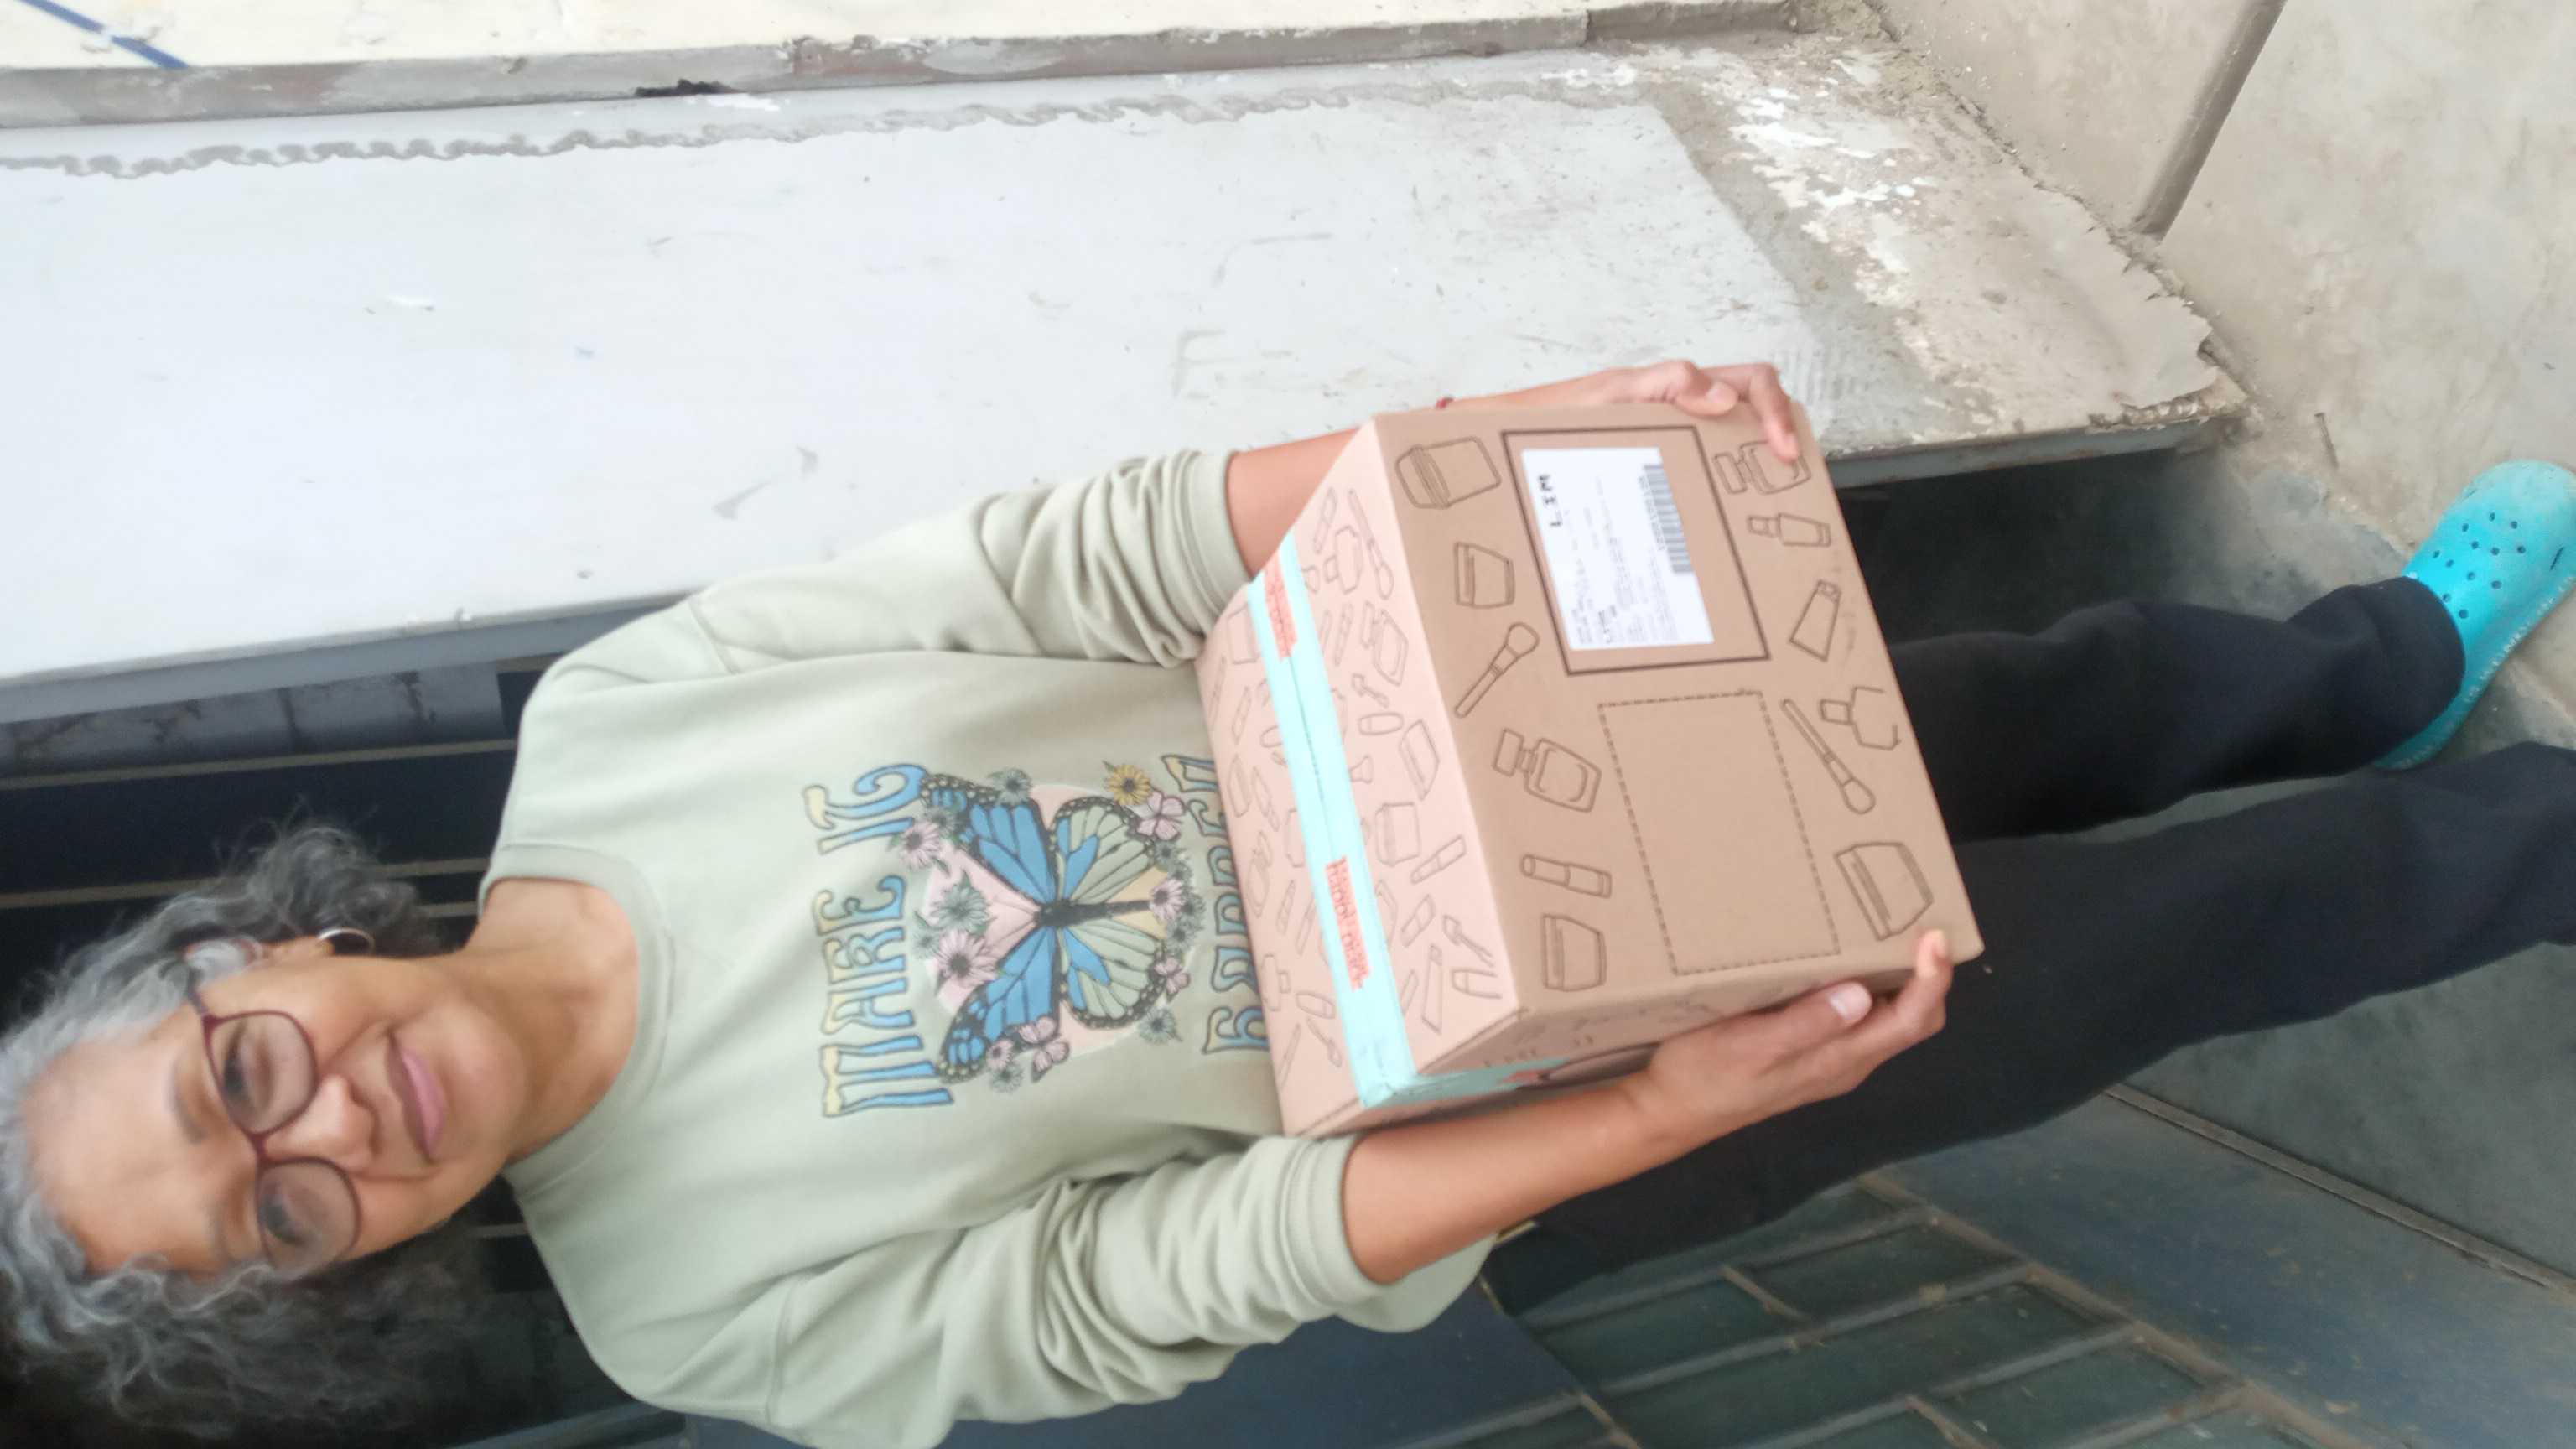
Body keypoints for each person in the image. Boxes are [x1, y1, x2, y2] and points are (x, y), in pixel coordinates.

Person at [4, 360, 2572, 1448]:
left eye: (239, 1077)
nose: (322, 1128)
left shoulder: (617, 723)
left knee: (2021, 702)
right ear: (340, 1282)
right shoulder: (704, 1321)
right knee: (2178, 940)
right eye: (279, 1218)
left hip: (1527, 742)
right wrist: (1660, 1110)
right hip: (1561, 1095)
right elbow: (1180, 1272)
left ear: (259, 949)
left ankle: (2385, 659)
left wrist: (1509, 445)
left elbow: (1079, 559)